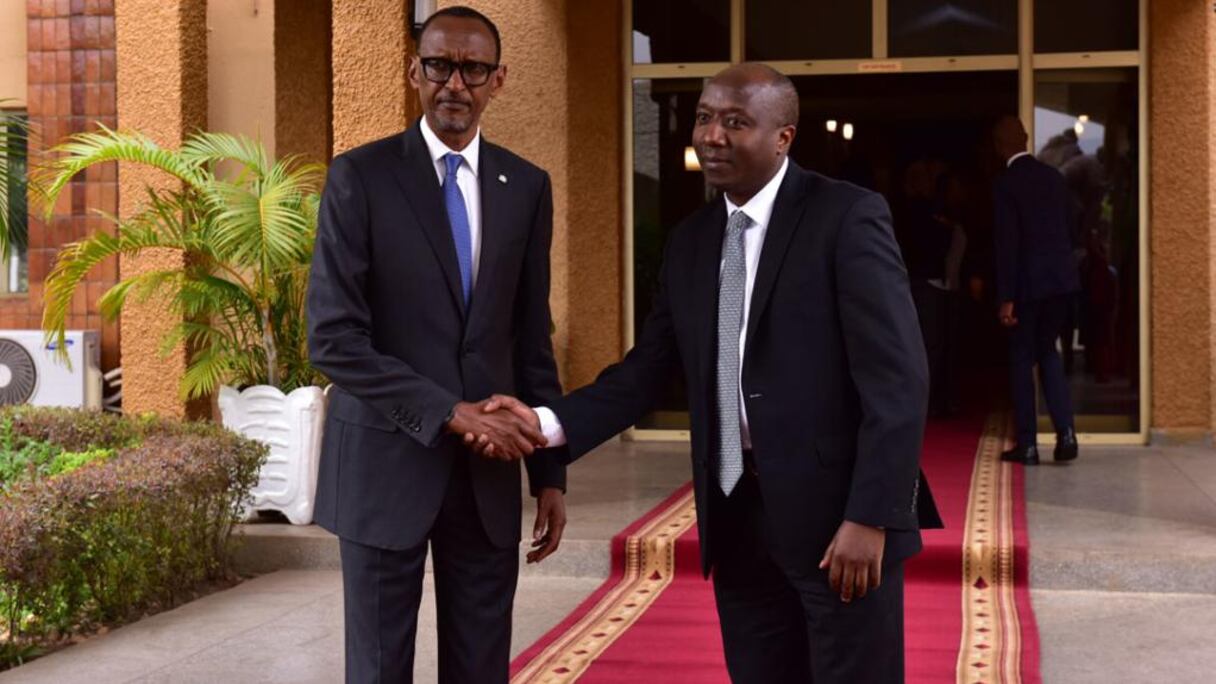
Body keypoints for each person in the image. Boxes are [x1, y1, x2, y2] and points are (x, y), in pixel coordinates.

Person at [482, 63, 941, 683]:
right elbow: (648, 370)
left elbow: (898, 379)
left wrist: (873, 515)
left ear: (784, 137)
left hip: (839, 525)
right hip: (736, 519)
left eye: (735, 121)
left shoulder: (845, 217)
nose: (712, 135)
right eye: (703, 117)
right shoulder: (693, 241)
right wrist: (545, 424)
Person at [306, 7, 567, 682]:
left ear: (498, 80)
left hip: (484, 483)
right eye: (440, 66)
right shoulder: (359, 178)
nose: (456, 83)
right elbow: (333, 338)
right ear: (413, 72)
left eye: (473, 69)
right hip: (383, 470)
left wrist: (549, 474)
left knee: (480, 668)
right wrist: (450, 412)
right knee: (379, 668)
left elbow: (529, 338)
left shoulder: (527, 187)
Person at [992, 116, 1080, 466]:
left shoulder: (1005, 183)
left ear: (999, 145)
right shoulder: (1054, 178)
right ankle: (1066, 433)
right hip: (1060, 283)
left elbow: (1007, 243)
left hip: (1026, 288)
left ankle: (1027, 444)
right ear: (1026, 139)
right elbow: (1071, 228)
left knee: (1020, 359)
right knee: (1049, 354)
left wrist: (1006, 297)